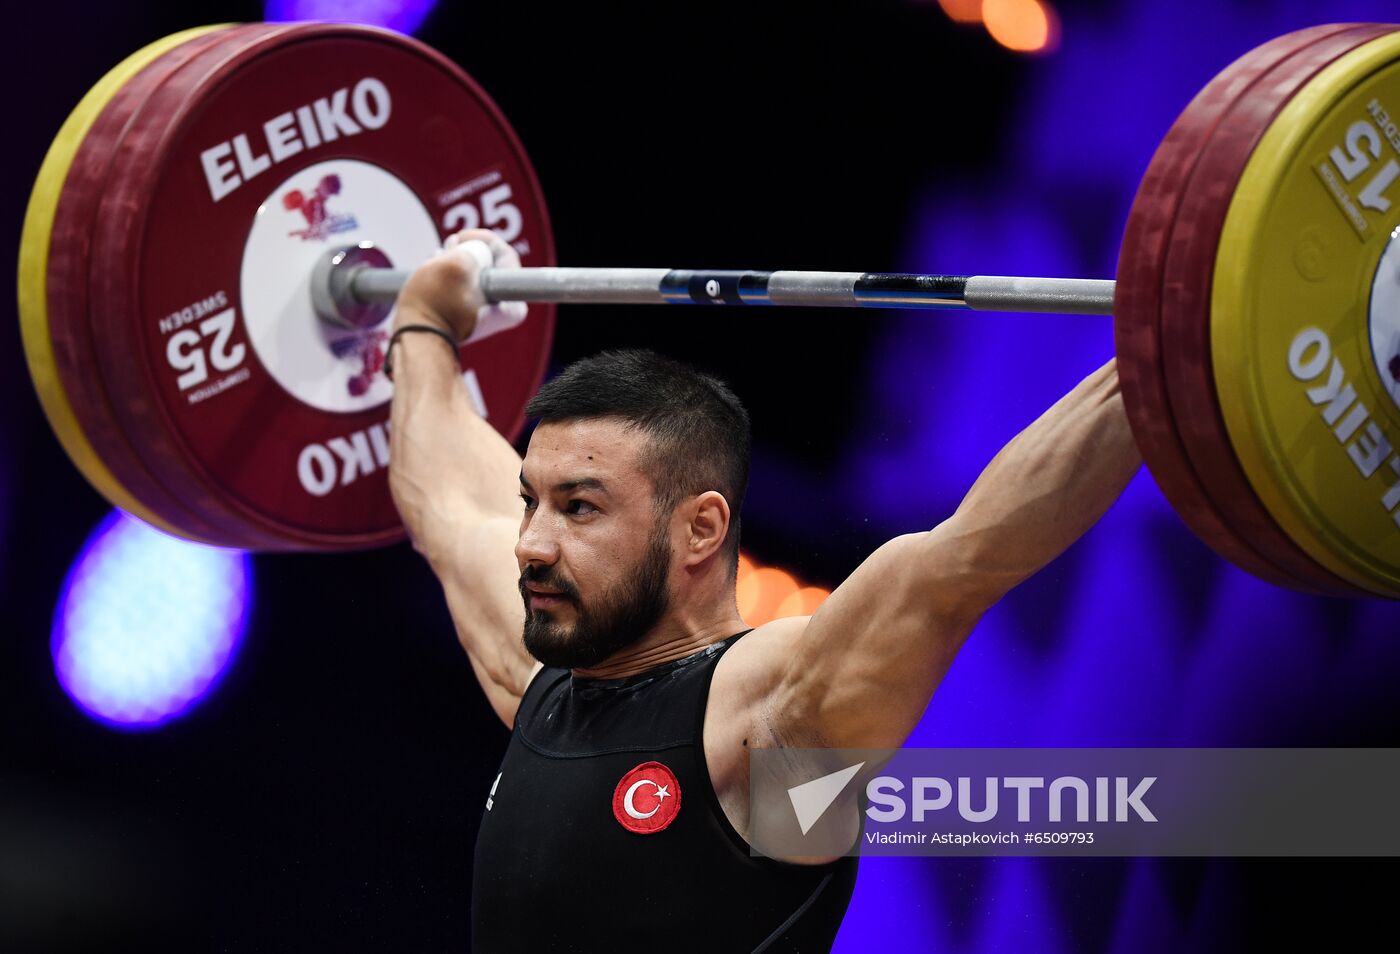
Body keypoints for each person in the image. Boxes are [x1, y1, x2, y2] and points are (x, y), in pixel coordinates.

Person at [387, 230, 1143, 952]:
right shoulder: (542, 685)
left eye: (580, 507)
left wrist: (1156, 354)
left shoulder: (766, 725)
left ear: (700, 529)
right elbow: (449, 507)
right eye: (532, 501)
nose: (532, 542)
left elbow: (967, 558)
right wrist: (422, 324)